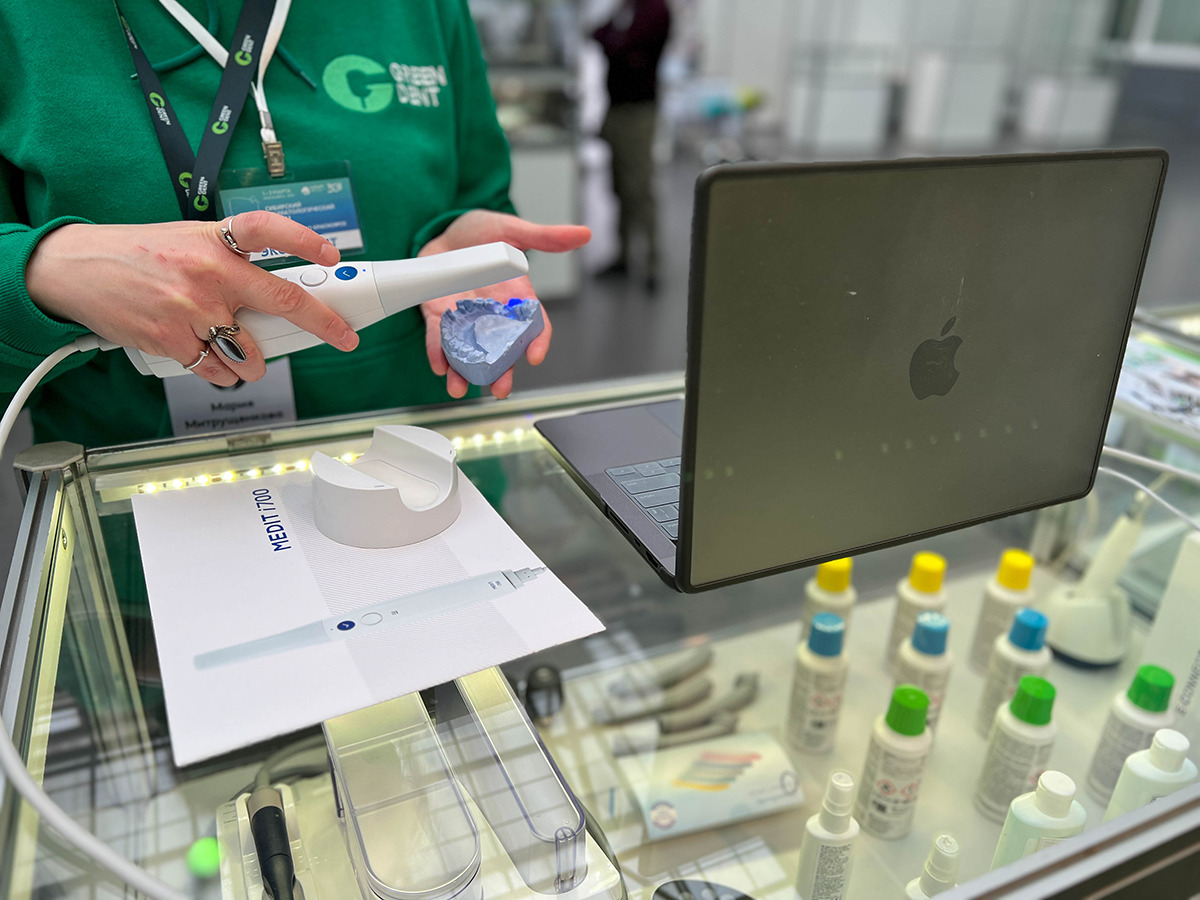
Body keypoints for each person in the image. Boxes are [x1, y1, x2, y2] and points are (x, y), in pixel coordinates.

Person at [0, 1, 590, 451]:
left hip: (418, 467)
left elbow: (477, 188)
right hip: (136, 498)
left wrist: (454, 239)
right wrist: (47, 270)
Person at [593, 0, 671, 292]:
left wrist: (615, 43)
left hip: (638, 111)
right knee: (620, 187)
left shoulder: (655, 10)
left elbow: (622, 47)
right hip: (617, 108)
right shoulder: (627, 9)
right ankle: (623, 255)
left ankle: (652, 262)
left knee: (639, 186)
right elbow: (599, 34)